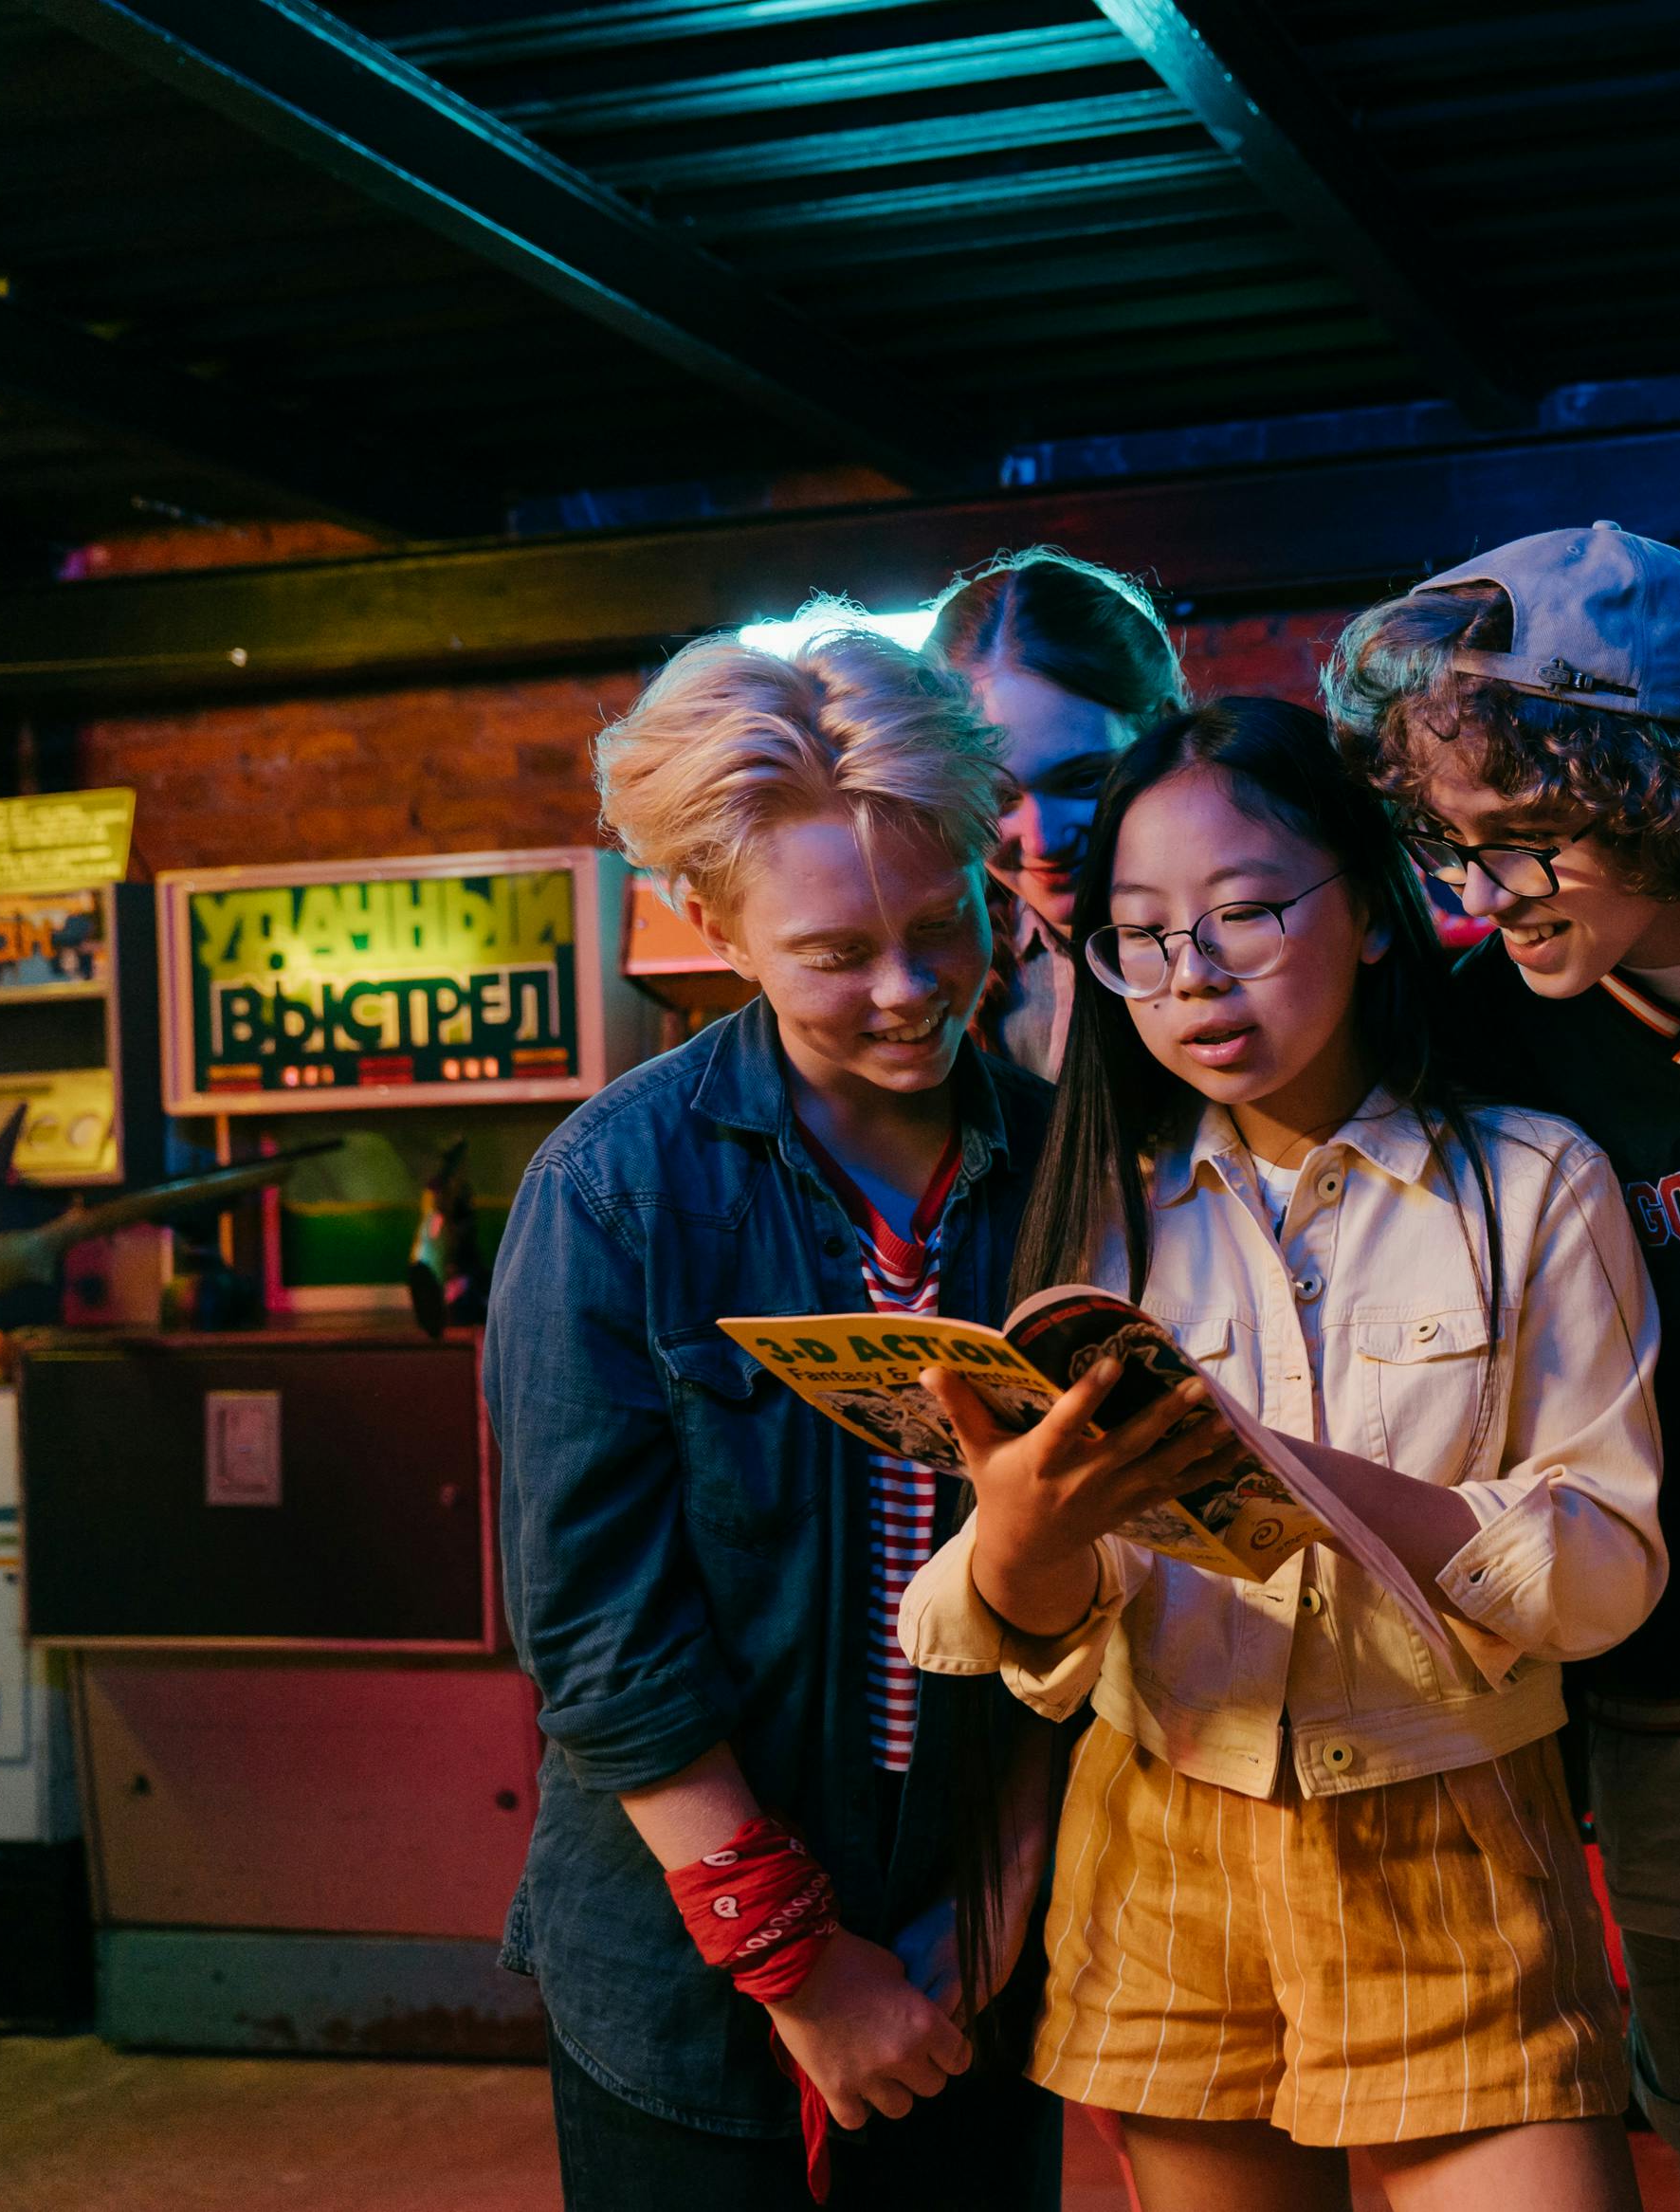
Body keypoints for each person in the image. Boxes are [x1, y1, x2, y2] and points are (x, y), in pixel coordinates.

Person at [895, 698, 1670, 2212]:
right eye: (1140, 937)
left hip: (1450, 1832)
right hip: (1163, 1847)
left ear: (1375, 913)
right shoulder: (1094, 1219)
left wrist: (1309, 1478)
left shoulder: (1528, 1186)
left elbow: (1609, 1578)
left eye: (1246, 913)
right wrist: (1025, 1545)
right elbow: (1057, 1636)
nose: (1193, 977)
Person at [485, 619, 1063, 2210]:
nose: (908, 989)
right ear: (712, 923)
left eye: (941, 924)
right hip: (687, 1964)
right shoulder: (616, 1186)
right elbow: (598, 1631)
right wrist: (802, 1967)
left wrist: (998, 1902)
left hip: (979, 1948)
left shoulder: (1067, 1158)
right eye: (833, 952)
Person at [1327, 524, 1680, 2212]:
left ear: (1671, 785)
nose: (1482, 891)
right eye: (1453, 845)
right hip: (1664, 1686)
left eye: (1533, 840)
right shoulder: (1479, 1038)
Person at [930, 547, 1190, 1080]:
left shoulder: (1258, 942)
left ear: (1164, 732)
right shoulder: (948, 969)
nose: (1044, 840)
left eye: (1084, 780)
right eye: (996, 797)